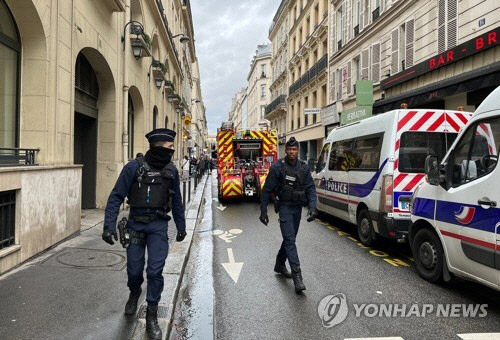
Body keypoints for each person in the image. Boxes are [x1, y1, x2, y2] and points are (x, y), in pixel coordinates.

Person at [102, 128, 187, 340]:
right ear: (158, 146)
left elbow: (176, 202)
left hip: (158, 225)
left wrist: (181, 225)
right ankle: (134, 292)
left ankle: (151, 314)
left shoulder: (171, 171)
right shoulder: (133, 168)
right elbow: (116, 196)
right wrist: (108, 225)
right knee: (134, 270)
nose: (172, 149)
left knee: (155, 271)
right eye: (169, 147)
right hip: (135, 225)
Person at [259, 137, 318, 293]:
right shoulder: (278, 168)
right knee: (290, 240)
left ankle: (279, 264)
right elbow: (266, 190)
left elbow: (311, 188)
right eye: (289, 149)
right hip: (284, 207)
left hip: (297, 208)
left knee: (289, 239)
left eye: (294, 149)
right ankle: (297, 277)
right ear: (286, 151)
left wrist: (312, 207)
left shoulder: (304, 169)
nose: (292, 152)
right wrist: (263, 211)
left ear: (298, 150)